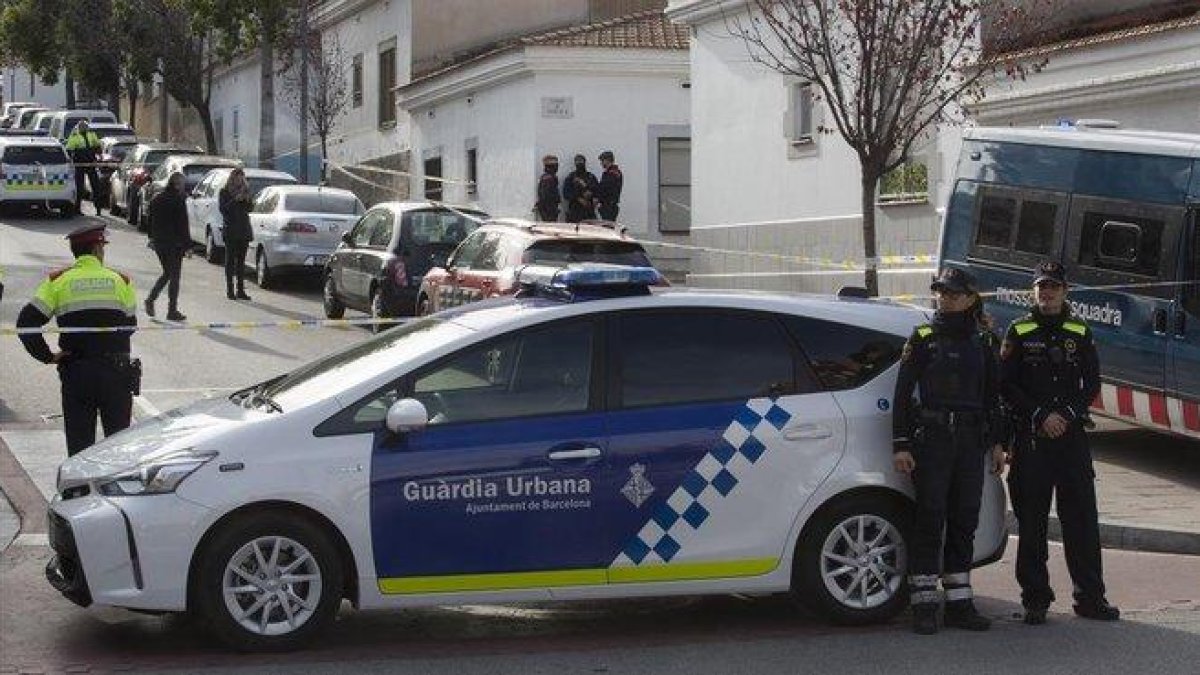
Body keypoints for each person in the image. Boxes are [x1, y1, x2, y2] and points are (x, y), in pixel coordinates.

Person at [1001, 260, 1119, 625]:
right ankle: (1035, 598)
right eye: (1041, 286)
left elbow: (1092, 383)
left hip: (1070, 439)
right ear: (1033, 291)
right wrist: (1039, 415)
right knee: (1032, 521)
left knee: (1082, 519)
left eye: (1053, 286)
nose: (1046, 292)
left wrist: (1066, 414)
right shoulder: (1018, 330)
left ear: (1065, 291)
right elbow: (1006, 384)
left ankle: (1090, 597)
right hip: (1033, 439)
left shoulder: (1079, 330)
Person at [893, 267, 1007, 635]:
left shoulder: (985, 341)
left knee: (964, 518)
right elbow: (902, 394)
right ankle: (924, 602)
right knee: (930, 517)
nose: (945, 298)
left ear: (971, 298)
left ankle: (959, 602)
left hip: (972, 441)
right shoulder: (924, 337)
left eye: (953, 293)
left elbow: (994, 396)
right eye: (941, 291)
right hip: (934, 439)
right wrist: (901, 444)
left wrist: (1000, 444)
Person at [16, 225, 139, 456]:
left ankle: (80, 490)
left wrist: (48, 356)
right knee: (120, 449)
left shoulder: (58, 281)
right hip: (116, 372)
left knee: (80, 448)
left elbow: (26, 323)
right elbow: (130, 326)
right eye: (102, 247)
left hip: (77, 372)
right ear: (96, 249)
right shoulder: (120, 280)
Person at [145, 171, 190, 321]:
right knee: (174, 276)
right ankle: (170, 309)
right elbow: (183, 224)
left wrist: (151, 237)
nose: (184, 187)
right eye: (183, 184)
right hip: (174, 243)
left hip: (159, 242)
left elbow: (150, 220)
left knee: (167, 273)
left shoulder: (157, 199)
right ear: (177, 184)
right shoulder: (178, 199)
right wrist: (187, 245)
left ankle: (152, 299)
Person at [219, 168, 254, 301]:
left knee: (241, 262)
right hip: (231, 230)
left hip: (243, 230)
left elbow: (250, 209)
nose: (240, 180)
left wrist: (246, 199)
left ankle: (240, 290)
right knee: (230, 262)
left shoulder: (245, 191)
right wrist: (235, 199)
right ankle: (230, 290)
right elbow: (223, 210)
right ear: (232, 178)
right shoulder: (224, 192)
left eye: (242, 178)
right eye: (238, 177)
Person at [64, 120, 102, 215]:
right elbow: (69, 149)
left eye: (85, 127)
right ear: (79, 128)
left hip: (91, 164)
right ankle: (77, 209)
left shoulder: (92, 134)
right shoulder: (74, 136)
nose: (84, 128)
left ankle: (98, 209)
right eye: (82, 127)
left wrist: (98, 152)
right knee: (79, 188)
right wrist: (71, 160)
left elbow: (97, 146)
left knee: (96, 187)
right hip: (79, 164)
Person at [562, 154, 598, 223]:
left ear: (584, 162)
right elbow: (566, 194)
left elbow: (597, 191)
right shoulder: (570, 177)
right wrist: (578, 199)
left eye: (581, 161)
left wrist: (594, 197)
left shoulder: (591, 177)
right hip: (575, 211)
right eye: (577, 162)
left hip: (588, 211)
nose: (579, 163)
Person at [595, 150, 623, 222]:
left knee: (608, 228)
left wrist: (598, 198)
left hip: (608, 206)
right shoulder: (614, 172)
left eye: (602, 161)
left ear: (607, 160)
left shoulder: (611, 173)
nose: (601, 163)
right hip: (609, 205)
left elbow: (605, 188)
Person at [534, 154, 561, 222]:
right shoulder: (549, 178)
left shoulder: (547, 177)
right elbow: (546, 196)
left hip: (549, 208)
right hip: (548, 209)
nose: (557, 168)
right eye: (555, 166)